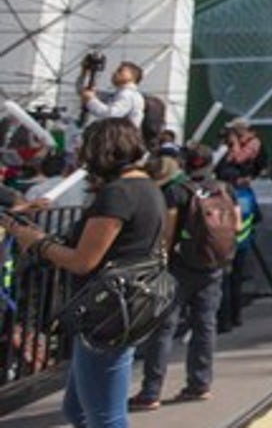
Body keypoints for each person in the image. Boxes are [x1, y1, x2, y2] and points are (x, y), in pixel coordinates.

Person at [1, 118, 166, 428]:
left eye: (85, 149)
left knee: (106, 418)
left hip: (107, 314)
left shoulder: (118, 194)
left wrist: (37, 244)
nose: (82, 159)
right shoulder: (147, 187)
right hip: (126, 305)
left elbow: (83, 261)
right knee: (78, 410)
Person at [132, 144, 239, 411]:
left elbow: (167, 233)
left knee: (163, 328)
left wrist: (159, 262)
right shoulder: (224, 189)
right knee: (205, 325)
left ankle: (151, 391)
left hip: (179, 266)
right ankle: (200, 384)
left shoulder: (176, 191)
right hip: (212, 264)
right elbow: (235, 225)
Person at [218, 173, 260, 333]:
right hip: (243, 243)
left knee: (224, 283)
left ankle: (224, 321)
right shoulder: (248, 195)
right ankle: (237, 316)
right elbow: (257, 217)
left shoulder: (221, 196)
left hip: (224, 244)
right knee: (237, 281)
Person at [81, 61, 146, 129]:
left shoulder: (128, 95)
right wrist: (85, 73)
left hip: (120, 137)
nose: (115, 73)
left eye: (120, 71)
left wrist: (91, 100)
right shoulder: (120, 93)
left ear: (132, 76)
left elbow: (111, 115)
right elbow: (84, 91)